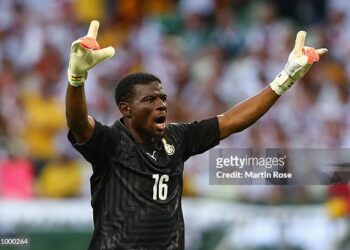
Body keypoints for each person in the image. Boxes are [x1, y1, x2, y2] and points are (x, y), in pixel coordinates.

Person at [66, 20, 327, 250]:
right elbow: (79, 124)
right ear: (126, 110)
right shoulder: (110, 143)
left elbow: (231, 121)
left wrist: (284, 79)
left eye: (163, 98)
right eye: (150, 99)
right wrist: (76, 78)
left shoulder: (177, 138)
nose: (161, 105)